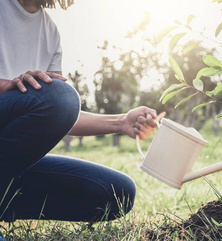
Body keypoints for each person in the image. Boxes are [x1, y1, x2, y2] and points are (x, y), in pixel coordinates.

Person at [0, 0, 163, 226]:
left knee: (117, 192)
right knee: (60, 96)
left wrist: (120, 122)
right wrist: (7, 85)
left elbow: (59, 109)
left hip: (8, 161)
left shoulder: (50, 32)